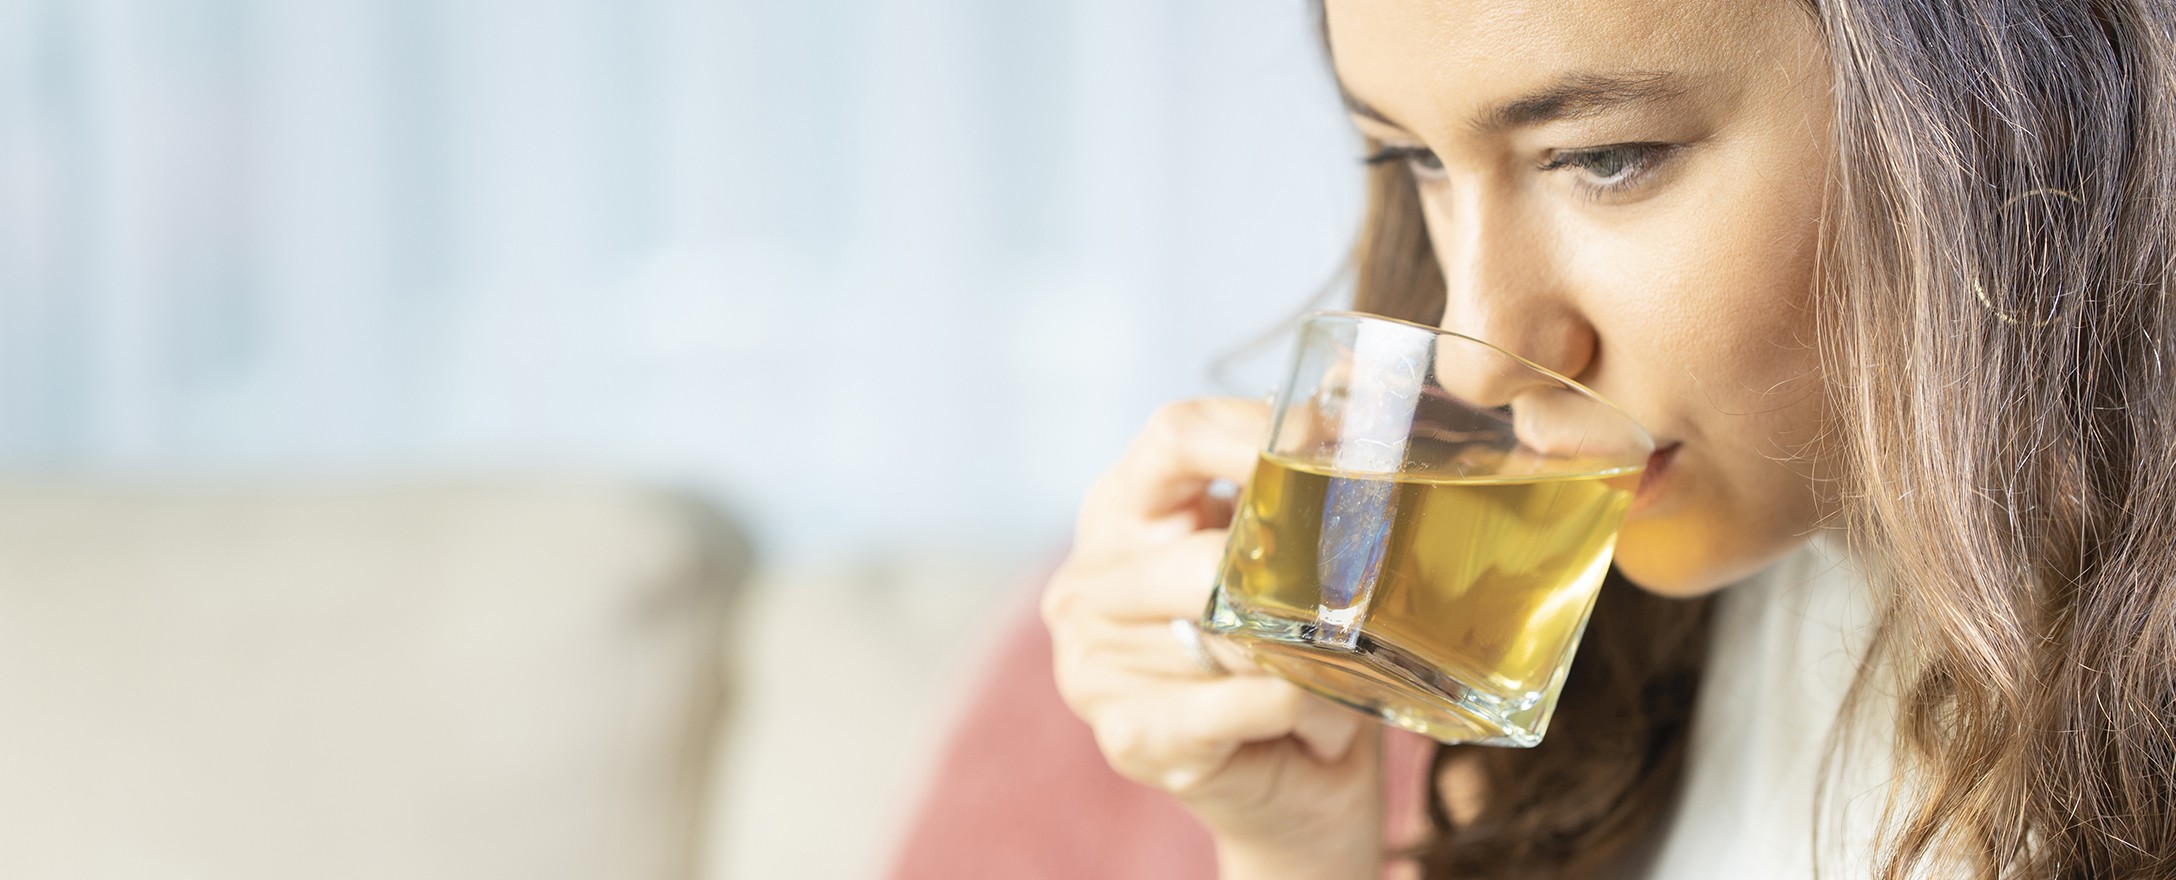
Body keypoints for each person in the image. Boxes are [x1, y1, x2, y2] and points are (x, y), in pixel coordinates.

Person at [1039, 1, 2176, 878]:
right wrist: (1294, 845)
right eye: (1415, 158)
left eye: (1605, 157)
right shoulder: (1600, 649)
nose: (1475, 353)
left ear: (2006, 110)